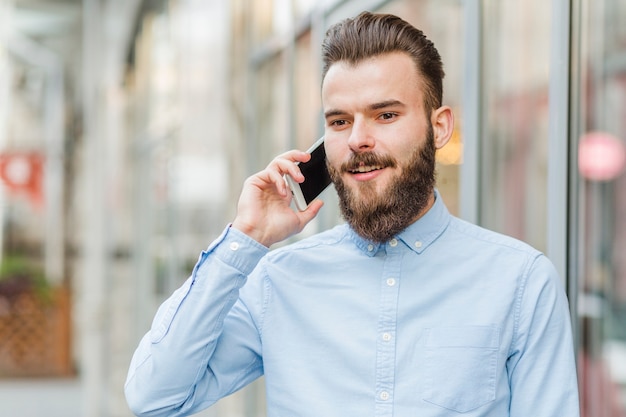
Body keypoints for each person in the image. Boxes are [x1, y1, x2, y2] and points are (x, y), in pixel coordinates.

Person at [125, 11, 580, 417]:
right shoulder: (278, 281)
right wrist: (246, 238)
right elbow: (155, 397)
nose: (358, 139)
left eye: (385, 115)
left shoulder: (520, 282)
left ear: (438, 127)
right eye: (340, 121)